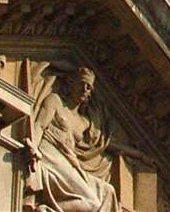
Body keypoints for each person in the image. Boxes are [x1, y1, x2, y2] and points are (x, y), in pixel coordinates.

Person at [24, 66, 119, 212]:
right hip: (50, 157)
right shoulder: (55, 100)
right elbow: (40, 125)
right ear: (70, 82)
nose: (86, 89)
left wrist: (138, 153)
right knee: (91, 204)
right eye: (82, 84)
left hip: (70, 162)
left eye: (89, 87)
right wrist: (33, 148)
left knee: (108, 190)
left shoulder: (84, 121)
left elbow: (109, 144)